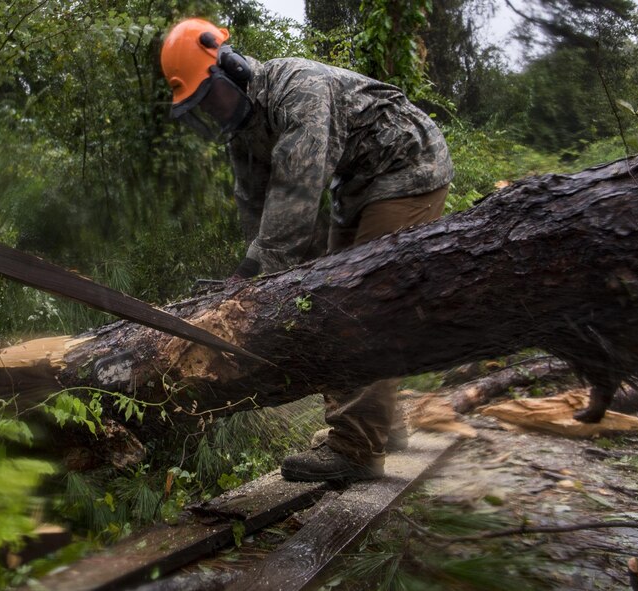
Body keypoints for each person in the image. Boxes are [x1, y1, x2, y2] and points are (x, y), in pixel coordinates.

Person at [160, 18, 454, 482]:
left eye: (210, 96)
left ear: (231, 68)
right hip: (356, 186)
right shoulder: (244, 130)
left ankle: (356, 447)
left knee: (362, 306)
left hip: (407, 168)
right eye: (201, 106)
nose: (213, 111)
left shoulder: (300, 88)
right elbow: (254, 208)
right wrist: (247, 278)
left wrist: (261, 272)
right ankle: (382, 425)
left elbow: (296, 193)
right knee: (333, 301)